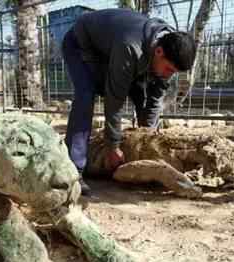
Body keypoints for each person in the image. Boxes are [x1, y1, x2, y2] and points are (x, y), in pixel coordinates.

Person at [61, 8, 197, 195]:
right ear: (158, 52)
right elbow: (114, 99)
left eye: (172, 72)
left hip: (111, 48)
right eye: (168, 69)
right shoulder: (131, 47)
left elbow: (154, 99)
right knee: (86, 94)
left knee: (142, 92)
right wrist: (113, 146)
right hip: (81, 45)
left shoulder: (169, 47)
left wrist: (148, 139)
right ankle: (73, 171)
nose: (168, 75)